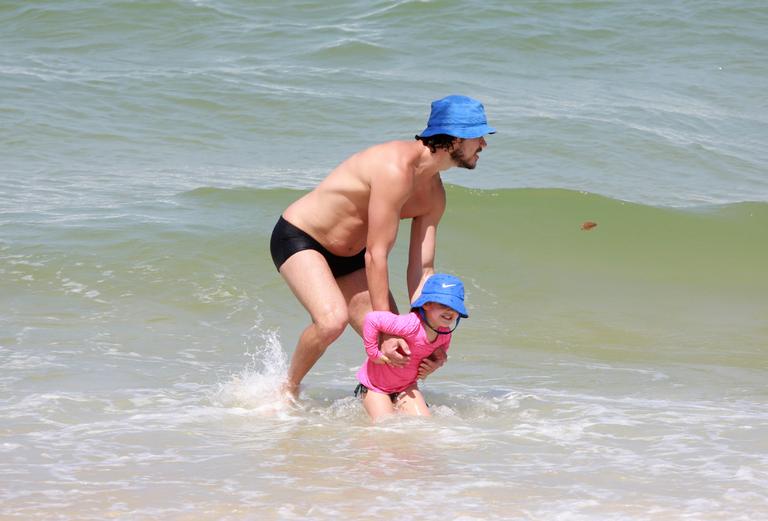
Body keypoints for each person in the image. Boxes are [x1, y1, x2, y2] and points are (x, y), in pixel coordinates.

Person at [269, 95, 495, 398]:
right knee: (331, 321)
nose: (483, 144)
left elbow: (422, 268)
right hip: (302, 238)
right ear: (454, 138)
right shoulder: (395, 169)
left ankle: (372, 406)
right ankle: (287, 389)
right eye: (477, 136)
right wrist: (386, 330)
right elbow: (377, 255)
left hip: (353, 258)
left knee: (406, 348)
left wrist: (431, 335)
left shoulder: (434, 194)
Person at [355, 273, 469, 422]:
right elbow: (372, 319)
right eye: (444, 305)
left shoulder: (445, 333)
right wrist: (373, 353)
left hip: (406, 386)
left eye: (455, 307)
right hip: (376, 387)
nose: (450, 311)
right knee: (386, 427)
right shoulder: (410, 324)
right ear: (427, 304)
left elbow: (437, 355)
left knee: (424, 426)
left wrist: (437, 362)